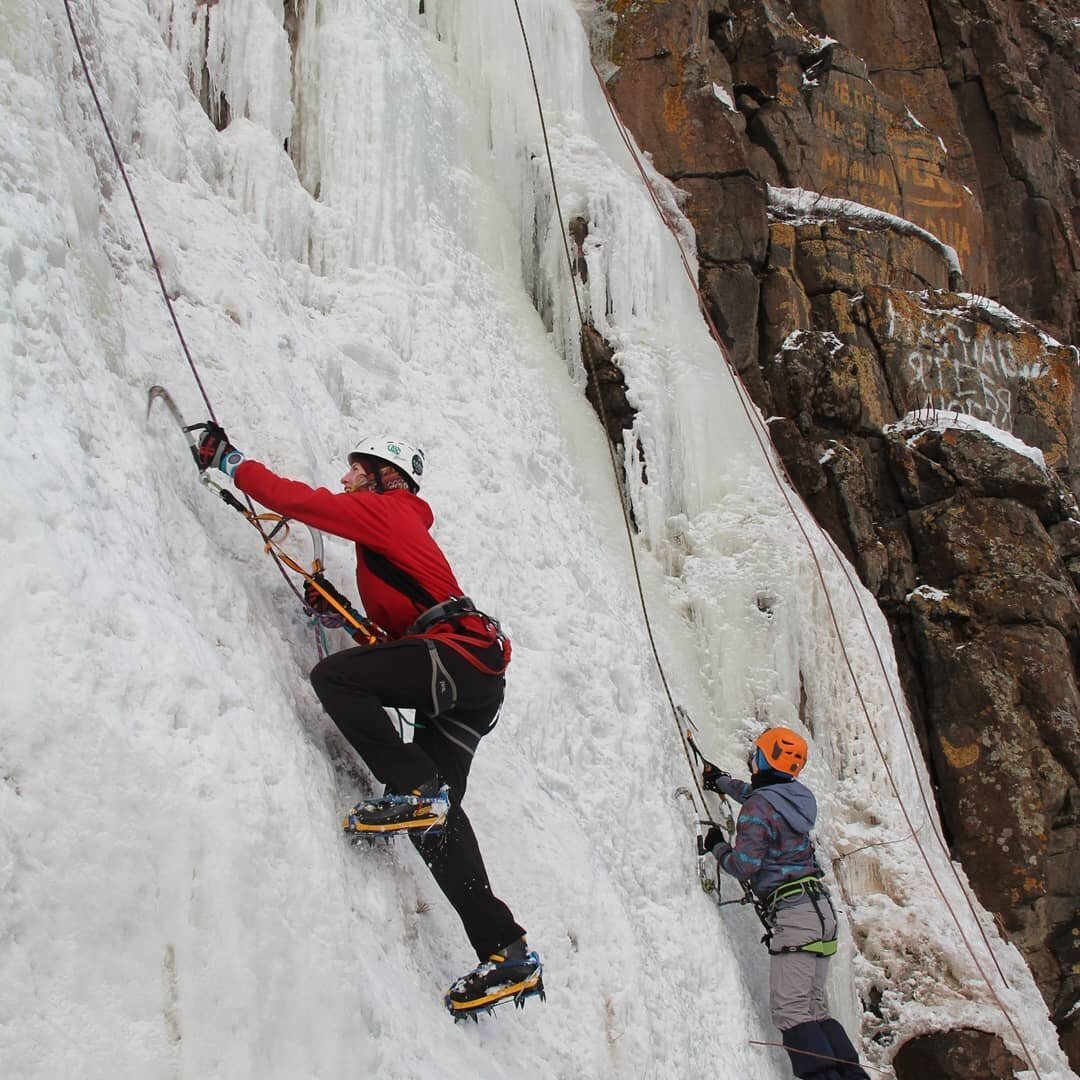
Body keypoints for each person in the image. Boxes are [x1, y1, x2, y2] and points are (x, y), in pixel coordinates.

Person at [194, 423, 542, 1015]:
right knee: (438, 822)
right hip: (471, 676)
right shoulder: (392, 536)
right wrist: (341, 613)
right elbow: (398, 642)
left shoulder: (388, 510)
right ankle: (505, 951)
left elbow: (297, 501)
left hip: (457, 657)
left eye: (355, 469)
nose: (344, 478)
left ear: (385, 477)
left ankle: (414, 786)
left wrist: (230, 462)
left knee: (335, 678)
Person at [702, 728, 869, 1080]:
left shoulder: (757, 808)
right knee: (815, 1009)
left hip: (794, 914)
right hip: (821, 913)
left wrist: (717, 845)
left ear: (762, 758)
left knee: (792, 1013)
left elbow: (744, 865)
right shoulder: (797, 798)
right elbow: (756, 797)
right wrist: (722, 782)